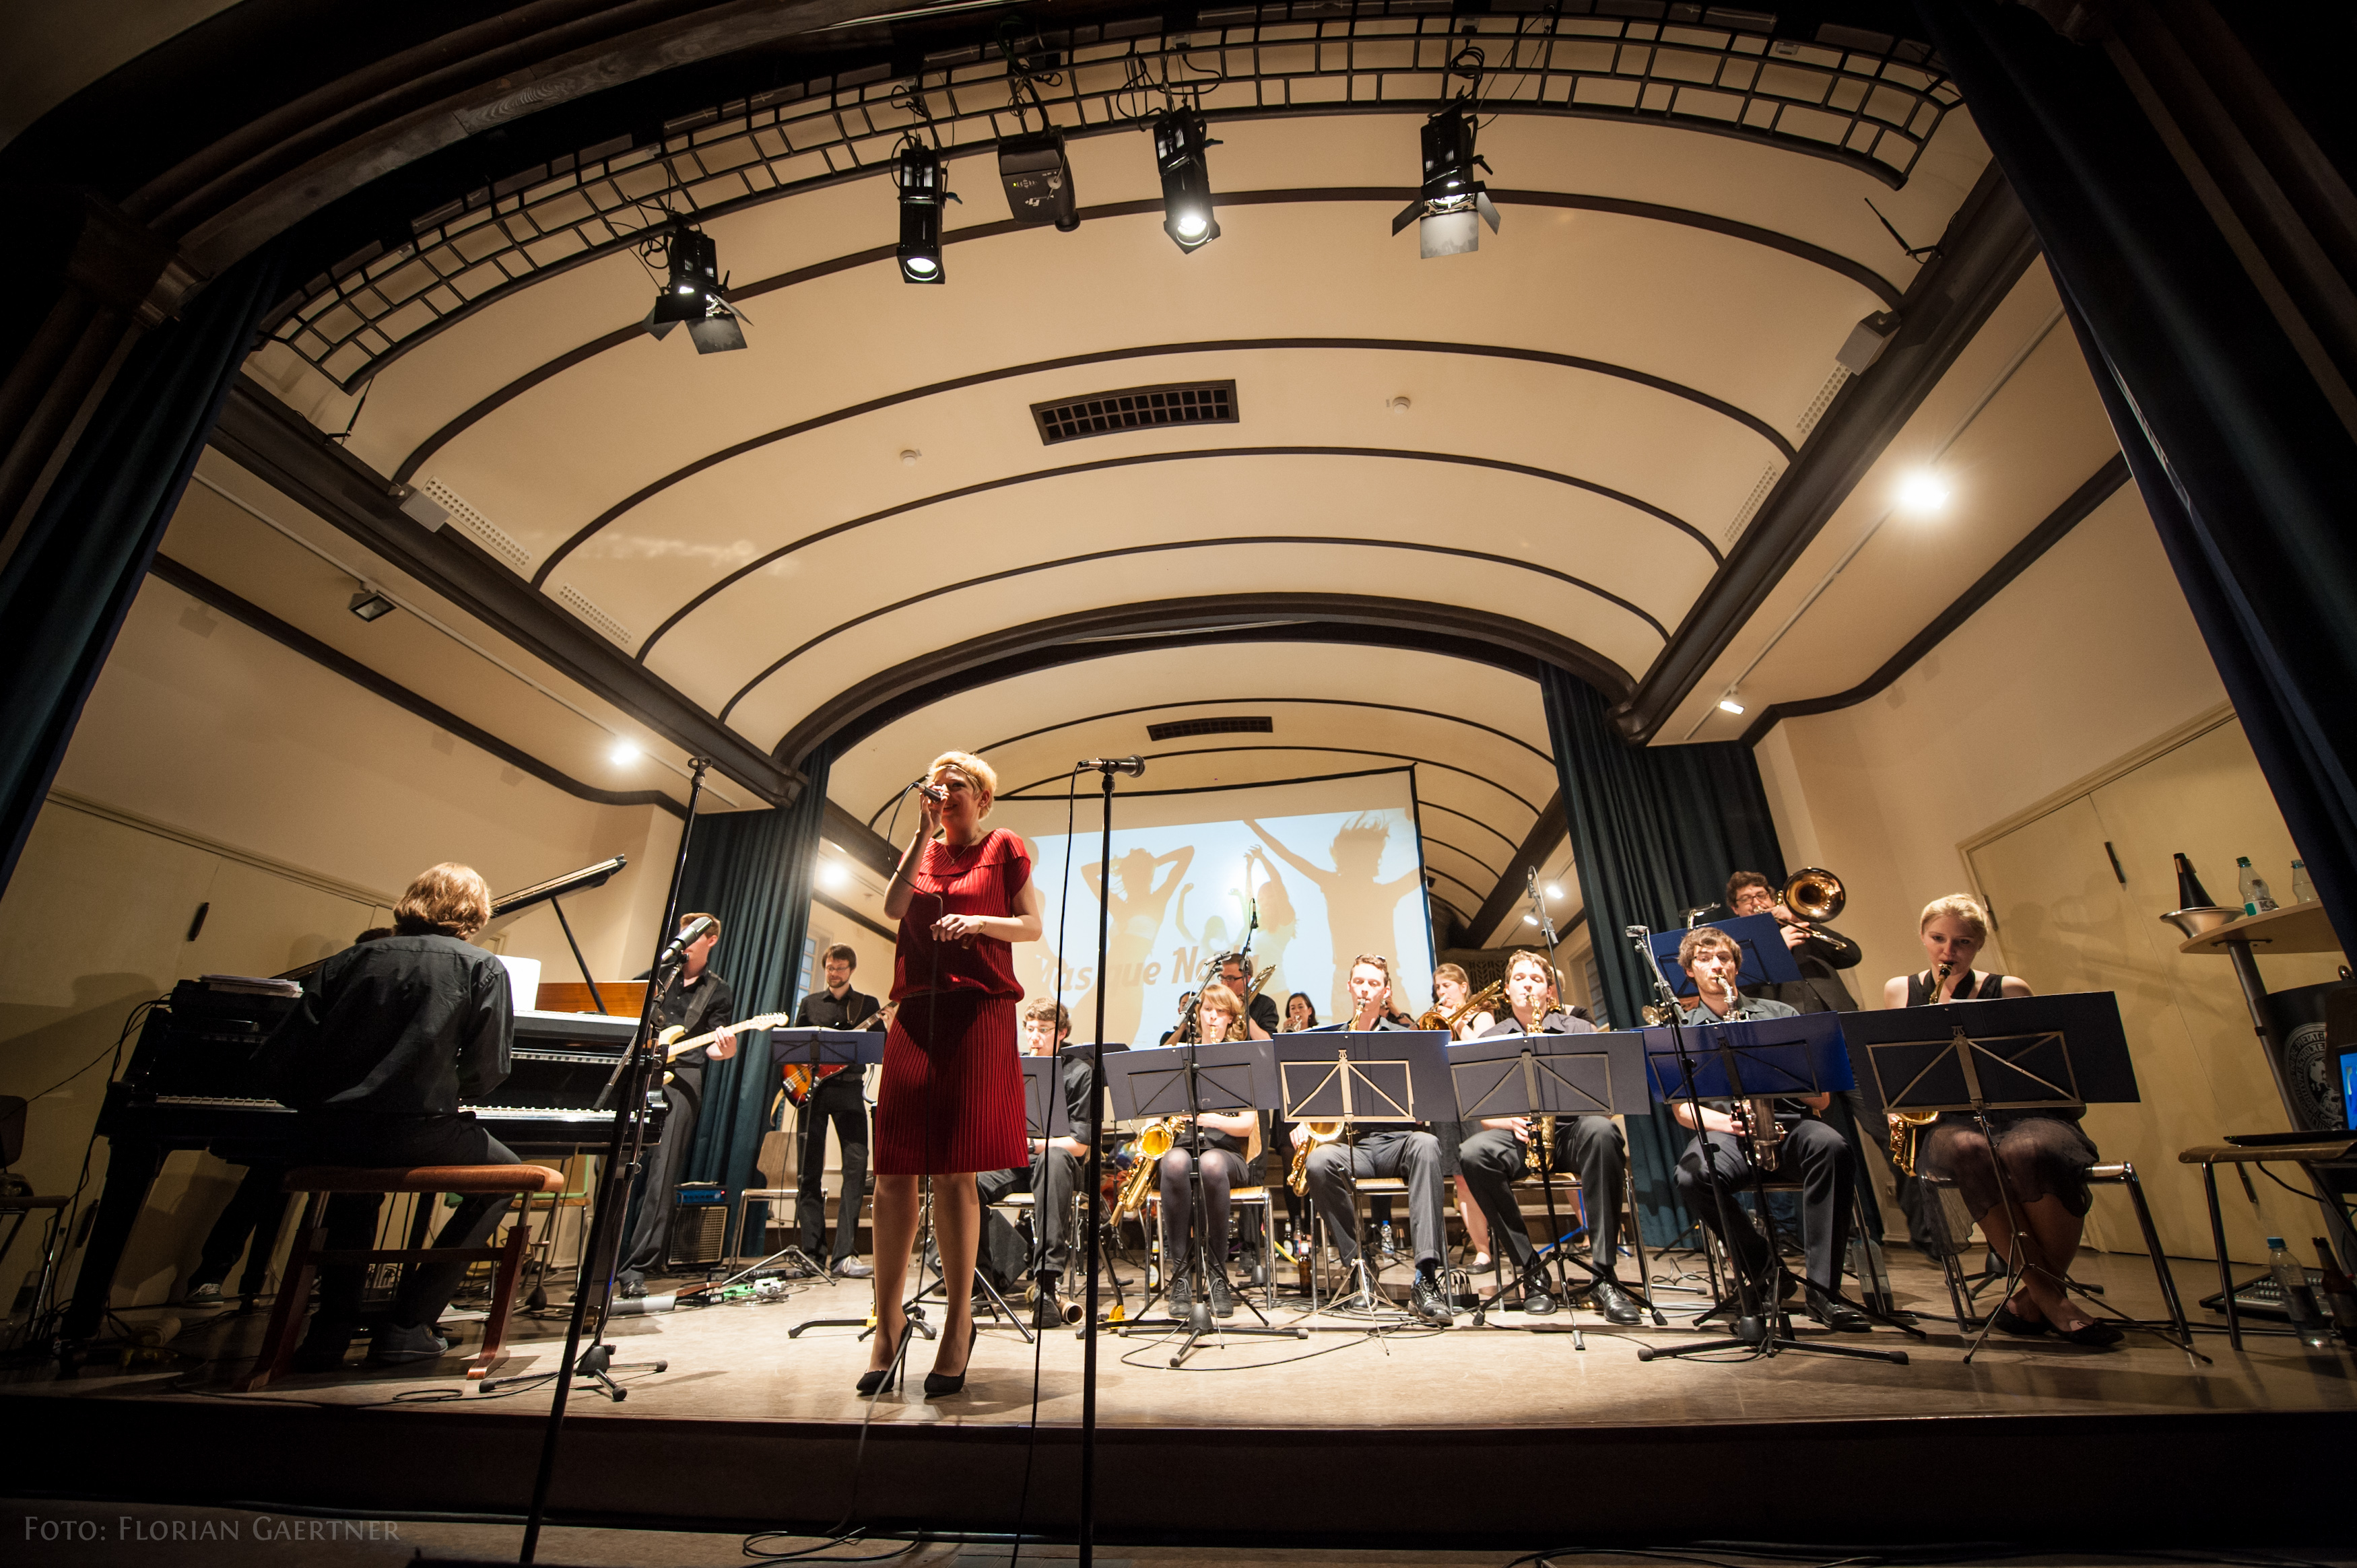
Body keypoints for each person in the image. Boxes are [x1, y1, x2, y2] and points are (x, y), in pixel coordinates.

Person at [264, 864, 522, 1368]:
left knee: (354, 1189)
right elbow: (487, 1069)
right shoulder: (482, 967)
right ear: (475, 913)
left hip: (335, 1132)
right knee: (501, 1180)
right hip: (418, 1130)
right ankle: (407, 1323)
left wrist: (325, 1108)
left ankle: (330, 1332)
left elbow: (286, 1055)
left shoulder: (349, 960)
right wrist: (447, 1089)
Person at [867, 751, 1043, 1398]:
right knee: (892, 1170)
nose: (944, 794)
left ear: (983, 798)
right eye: (937, 786)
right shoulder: (923, 850)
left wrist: (978, 921)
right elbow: (895, 907)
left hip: (978, 1011)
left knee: (954, 1170)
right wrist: (920, 835)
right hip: (915, 1012)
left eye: (957, 785)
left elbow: (1031, 925)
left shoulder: (1003, 845)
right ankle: (887, 1323)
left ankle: (958, 1323)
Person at [1880, 894, 2116, 1346]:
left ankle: (2033, 1300)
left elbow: (2047, 1071)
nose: (1949, 951)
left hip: (2023, 1113)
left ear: (1979, 944)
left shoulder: (2009, 988)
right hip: (1950, 1121)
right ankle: (2051, 1299)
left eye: (1963, 942)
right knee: (1969, 1149)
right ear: (1923, 936)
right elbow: (1897, 1072)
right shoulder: (1899, 990)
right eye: (1938, 938)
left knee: (2031, 1150)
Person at [1668, 926, 1868, 1332]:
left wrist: (1782, 1076)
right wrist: (1731, 1123)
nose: (1716, 965)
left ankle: (1823, 1292)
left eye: (1724, 958)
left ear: (1736, 966)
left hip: (1791, 1125)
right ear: (1690, 971)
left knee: (1833, 1147)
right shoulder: (1683, 1029)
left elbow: (1822, 1101)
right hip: (1727, 1131)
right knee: (1691, 1176)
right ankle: (1765, 1270)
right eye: (1705, 959)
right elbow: (1684, 1111)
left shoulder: (1781, 1015)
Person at [1459, 953, 1643, 1324]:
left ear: (1549, 990)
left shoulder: (1579, 1029)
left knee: (1603, 1131)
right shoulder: (1489, 1039)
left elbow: (1607, 1102)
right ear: (1507, 990)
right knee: (1472, 1152)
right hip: (1519, 1136)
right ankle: (1530, 1270)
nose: (1528, 984)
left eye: (1537, 979)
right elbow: (1482, 1115)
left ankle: (1604, 1274)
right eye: (1520, 978)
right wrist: (1508, 1121)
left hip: (1572, 1131)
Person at [1725, 871, 1890, 1244]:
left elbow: (1851, 954)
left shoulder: (1802, 926)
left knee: (1885, 1128)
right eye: (1747, 899)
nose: (1757, 903)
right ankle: (1840, 1237)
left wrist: (1804, 922)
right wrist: (1774, 947)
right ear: (1736, 909)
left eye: (1761, 895)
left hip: (1844, 1036)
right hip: (1799, 1050)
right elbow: (1738, 990)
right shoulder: (1741, 948)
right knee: (1824, 1143)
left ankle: (1930, 1236)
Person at [1294, 955, 1453, 1325]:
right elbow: (1306, 1093)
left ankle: (1426, 1277)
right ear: (1350, 987)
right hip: (1355, 1145)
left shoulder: (1406, 1038)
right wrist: (1302, 1120)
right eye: (1360, 982)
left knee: (1428, 1145)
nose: (1366, 989)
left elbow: (1434, 1093)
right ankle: (1358, 1265)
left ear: (1386, 991)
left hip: (1400, 1140)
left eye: (1373, 983)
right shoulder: (1327, 1040)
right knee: (1318, 1162)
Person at [616, 912, 741, 1297]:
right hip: (638, 1073)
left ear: (712, 940)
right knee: (617, 1169)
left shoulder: (718, 990)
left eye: (695, 934)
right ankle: (601, 1264)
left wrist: (726, 1051)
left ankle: (636, 1268)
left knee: (662, 1173)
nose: (685, 939)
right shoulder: (654, 977)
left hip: (683, 1078)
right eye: (683, 932)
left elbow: (715, 1048)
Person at [976, 999, 1093, 1328]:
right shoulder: (1012, 1067)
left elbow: (1079, 1146)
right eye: (1030, 1029)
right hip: (1016, 1163)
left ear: (1062, 1033)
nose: (1034, 1037)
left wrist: (1034, 1145)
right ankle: (980, 1282)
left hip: (1058, 1166)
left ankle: (1046, 1284)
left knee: (1053, 1158)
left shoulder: (1079, 1073)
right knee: (968, 1183)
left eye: (1044, 1030)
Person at [1156, 982, 1263, 1320]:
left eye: (1220, 1011)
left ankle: (1218, 1274)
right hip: (1185, 1145)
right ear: (1197, 1015)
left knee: (1211, 1164)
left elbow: (1246, 1125)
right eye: (1207, 1010)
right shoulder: (1179, 1057)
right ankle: (1180, 1276)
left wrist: (1210, 1118)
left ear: (1231, 1018)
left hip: (1227, 1154)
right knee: (1174, 1162)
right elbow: (1157, 1110)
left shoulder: (1240, 1059)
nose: (1212, 1017)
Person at [788, 943, 880, 1279]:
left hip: (850, 1092)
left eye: (840, 968)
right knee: (808, 1173)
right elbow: (793, 1050)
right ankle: (811, 1254)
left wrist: (884, 1028)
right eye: (830, 967)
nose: (834, 973)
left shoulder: (867, 1005)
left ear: (851, 970)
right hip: (813, 1094)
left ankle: (844, 1256)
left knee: (855, 1169)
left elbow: (879, 1048)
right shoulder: (810, 1003)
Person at [1427, 963, 1498, 1270]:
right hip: (1446, 1100)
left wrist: (1458, 1023)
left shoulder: (1482, 1015)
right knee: (1459, 1176)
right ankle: (1483, 1251)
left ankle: (1503, 1239)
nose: (1441, 992)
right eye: (1438, 988)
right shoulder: (1436, 1018)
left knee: (1481, 1172)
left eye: (1447, 986)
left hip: (1476, 1099)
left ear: (1464, 986)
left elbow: (1481, 1053)